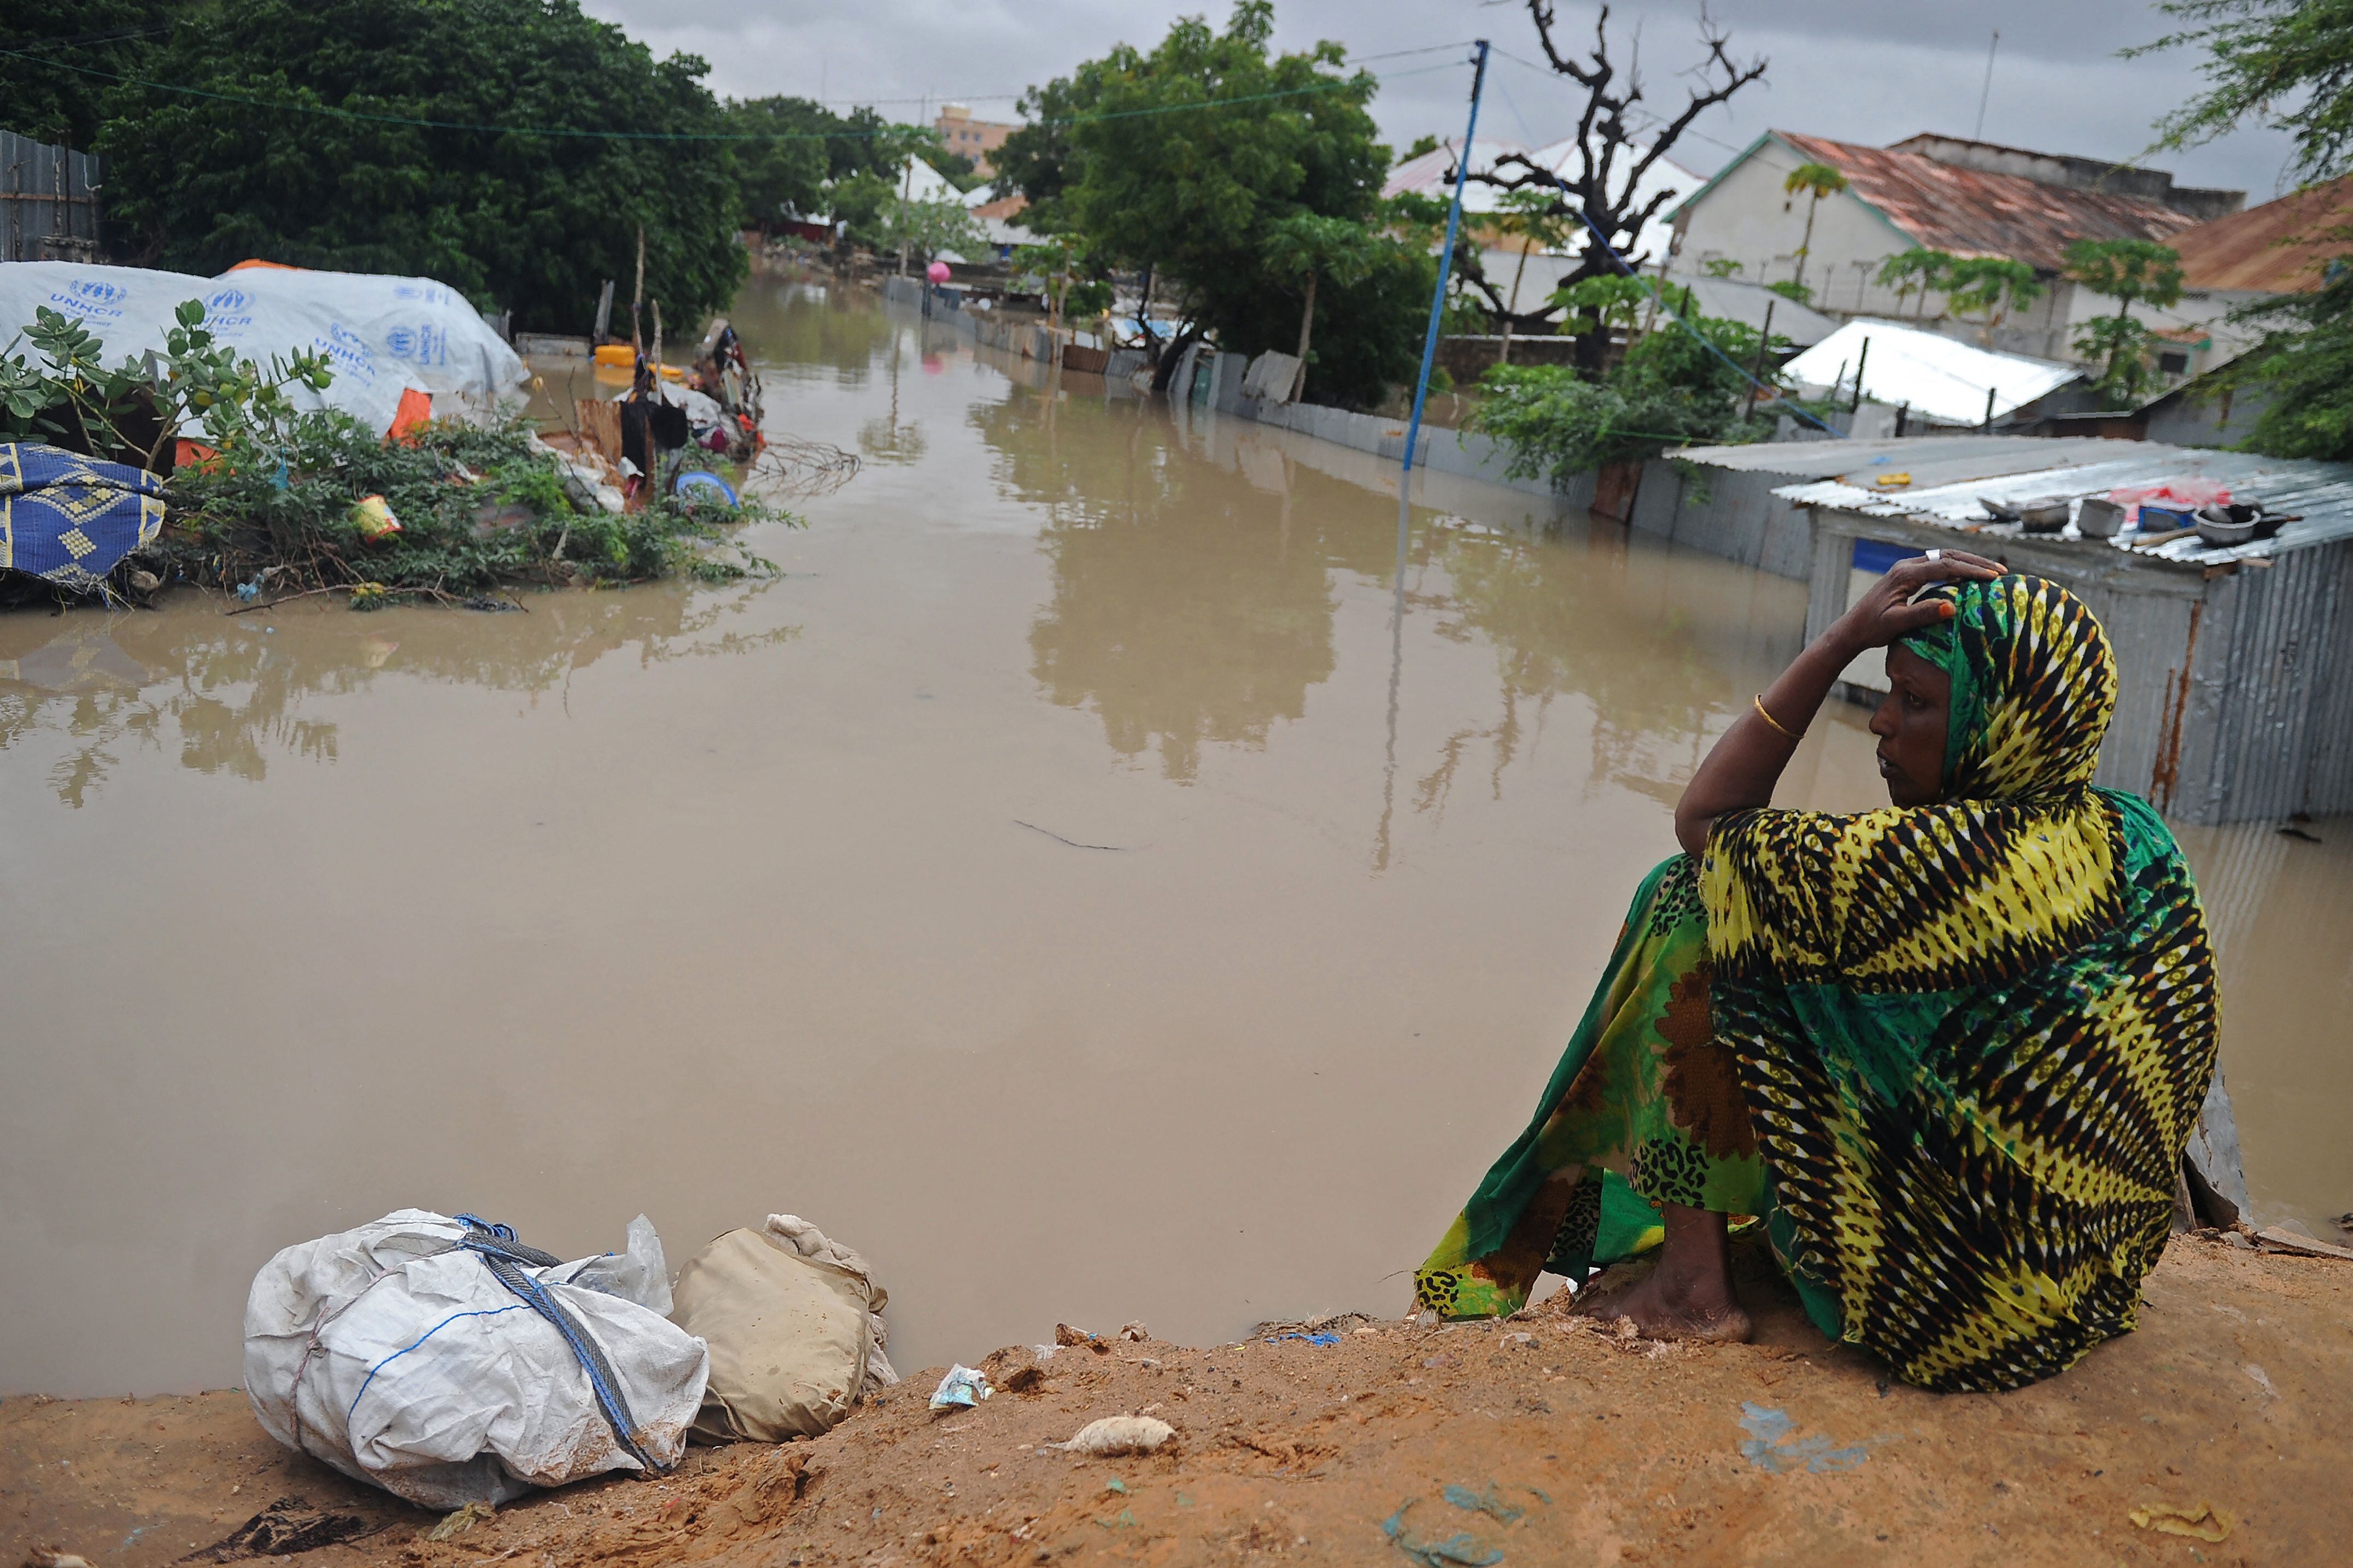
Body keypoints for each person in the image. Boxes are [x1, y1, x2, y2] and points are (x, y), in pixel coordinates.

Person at [1413, 554, 2222, 1393]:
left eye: (1915, 703)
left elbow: (1706, 819)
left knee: (1694, 901)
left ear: (1996, 724)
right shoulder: (2134, 837)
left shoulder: (1915, 871)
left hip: (1954, 1311)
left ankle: (1692, 1287)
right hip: (2085, 1288)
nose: (1880, 724)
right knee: (1784, 931)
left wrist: (1838, 641)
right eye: (1885, 690)